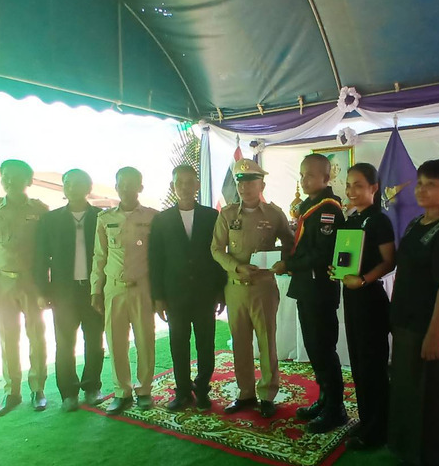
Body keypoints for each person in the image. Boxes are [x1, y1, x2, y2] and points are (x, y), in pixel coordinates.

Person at [388, 158, 439, 466]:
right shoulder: (415, 223)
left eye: (431, 185)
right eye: (420, 183)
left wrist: (434, 333)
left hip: (429, 325)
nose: (421, 190)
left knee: (431, 393)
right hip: (407, 321)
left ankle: (431, 460)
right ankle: (407, 449)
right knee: (408, 389)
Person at [211, 159, 294, 418]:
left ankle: (267, 394)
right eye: (241, 182)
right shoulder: (227, 214)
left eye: (250, 182)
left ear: (262, 185)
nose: (244, 187)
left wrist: (282, 260)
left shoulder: (274, 214)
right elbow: (216, 249)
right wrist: (236, 267)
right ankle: (245, 393)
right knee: (240, 342)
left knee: (267, 341)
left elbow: (290, 244)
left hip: (263, 288)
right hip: (235, 288)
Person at [271, 154, 347, 433]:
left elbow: (322, 253)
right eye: (302, 175)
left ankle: (336, 409)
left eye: (311, 176)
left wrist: (288, 264)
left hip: (320, 290)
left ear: (326, 178)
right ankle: (325, 399)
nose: (304, 180)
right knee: (313, 348)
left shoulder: (329, 210)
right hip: (307, 288)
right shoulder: (309, 206)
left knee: (323, 349)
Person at [0, 159, 50, 417]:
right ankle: (11, 392)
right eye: (5, 176)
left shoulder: (40, 210)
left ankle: (38, 389)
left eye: (16, 177)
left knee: (36, 336)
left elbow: (47, 251)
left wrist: (46, 287)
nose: (9, 181)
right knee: (8, 338)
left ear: (28, 181)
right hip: (2, 282)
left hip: (31, 282)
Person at [149, 165, 227, 411]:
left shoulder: (211, 216)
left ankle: (202, 389)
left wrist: (220, 291)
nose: (184, 187)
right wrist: (158, 297)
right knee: (178, 344)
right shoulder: (161, 220)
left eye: (189, 182)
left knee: (206, 344)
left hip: (206, 293)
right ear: (173, 186)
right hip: (175, 295)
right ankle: (182, 391)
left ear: (197, 185)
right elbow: (155, 259)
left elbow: (219, 255)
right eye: (179, 182)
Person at [330, 163, 396, 450]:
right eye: (348, 185)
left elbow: (390, 261)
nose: (351, 191)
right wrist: (337, 270)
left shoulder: (380, 220)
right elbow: (345, 257)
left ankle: (378, 429)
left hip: (370, 299)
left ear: (374, 188)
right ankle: (368, 420)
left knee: (372, 366)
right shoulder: (352, 219)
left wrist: (364, 279)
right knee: (358, 363)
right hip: (352, 297)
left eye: (358, 185)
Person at [34, 169, 105, 413]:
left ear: (89, 187)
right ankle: (68, 393)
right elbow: (41, 258)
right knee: (64, 344)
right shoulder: (50, 220)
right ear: (64, 187)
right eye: (68, 183)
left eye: (78, 183)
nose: (73, 188)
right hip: (63, 292)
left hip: (94, 291)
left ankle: (92, 387)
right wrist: (42, 291)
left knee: (94, 342)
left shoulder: (101, 217)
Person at [90, 167, 158, 416]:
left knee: (145, 340)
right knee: (116, 341)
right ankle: (122, 392)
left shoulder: (152, 217)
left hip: (142, 288)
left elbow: (158, 257)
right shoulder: (104, 218)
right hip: (114, 288)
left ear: (140, 187)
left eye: (132, 183)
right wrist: (95, 290)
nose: (127, 188)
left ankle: (144, 390)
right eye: (122, 184)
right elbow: (99, 256)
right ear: (116, 187)